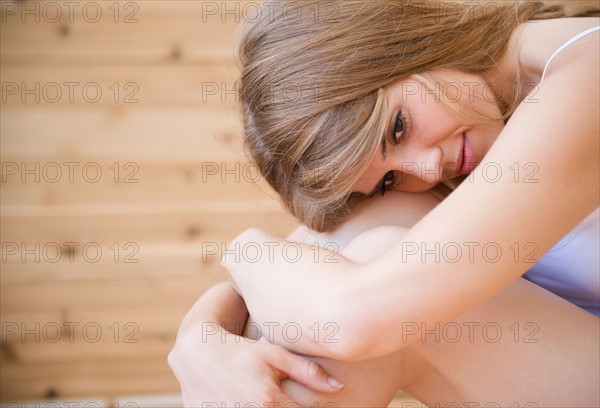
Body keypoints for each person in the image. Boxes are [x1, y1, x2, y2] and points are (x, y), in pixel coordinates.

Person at [169, 0, 599, 405]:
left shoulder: (586, 74)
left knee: (359, 288)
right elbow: (294, 264)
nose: (427, 170)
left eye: (397, 127)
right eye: (389, 178)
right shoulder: (488, 117)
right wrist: (200, 336)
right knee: (337, 254)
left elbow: (352, 321)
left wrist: (244, 248)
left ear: (401, 44)